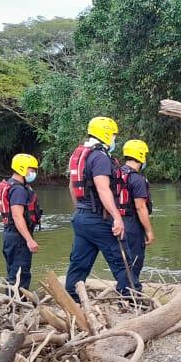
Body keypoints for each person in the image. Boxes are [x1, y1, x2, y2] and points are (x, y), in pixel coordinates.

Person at [64, 116, 128, 301]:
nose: (115, 139)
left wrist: (81, 210)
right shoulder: (100, 156)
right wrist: (117, 217)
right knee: (123, 261)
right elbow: (102, 188)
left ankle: (72, 301)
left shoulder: (79, 155)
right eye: (114, 135)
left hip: (81, 217)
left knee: (79, 265)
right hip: (98, 218)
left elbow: (72, 187)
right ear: (106, 134)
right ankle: (132, 300)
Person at [0, 153, 42, 293]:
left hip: (10, 235)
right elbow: (17, 216)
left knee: (14, 272)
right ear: (22, 168)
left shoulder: (11, 185)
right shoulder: (18, 190)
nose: (33, 173)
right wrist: (29, 240)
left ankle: (13, 301)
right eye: (31, 170)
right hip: (18, 237)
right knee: (20, 275)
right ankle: (16, 303)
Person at [115, 139, 153, 295]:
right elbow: (140, 207)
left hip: (116, 221)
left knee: (123, 259)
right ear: (141, 155)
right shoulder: (137, 179)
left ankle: (123, 290)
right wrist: (149, 231)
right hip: (131, 223)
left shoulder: (116, 173)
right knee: (135, 260)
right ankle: (130, 293)